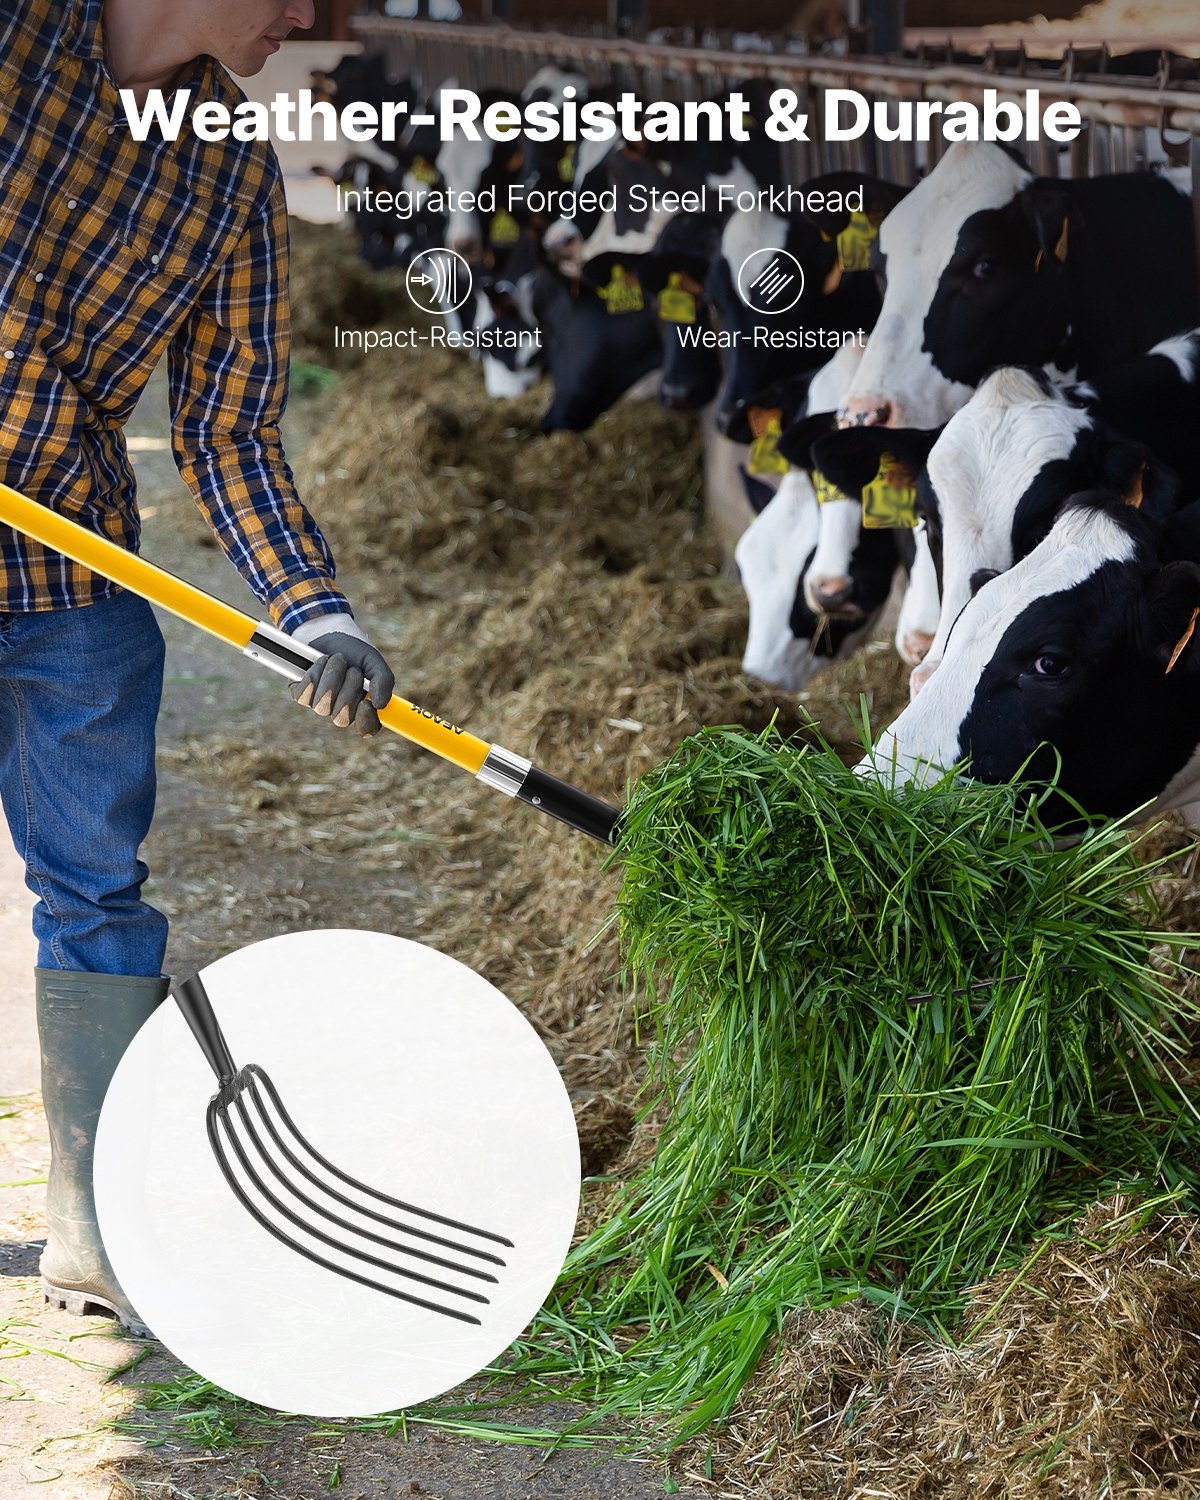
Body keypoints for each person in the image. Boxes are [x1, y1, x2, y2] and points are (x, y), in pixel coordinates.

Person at [0, 0, 397, 1336]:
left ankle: (97, 1226)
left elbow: (229, 427)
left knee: (99, 885)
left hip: (70, 572)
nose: (316, 22)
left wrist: (316, 608)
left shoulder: (224, 169)